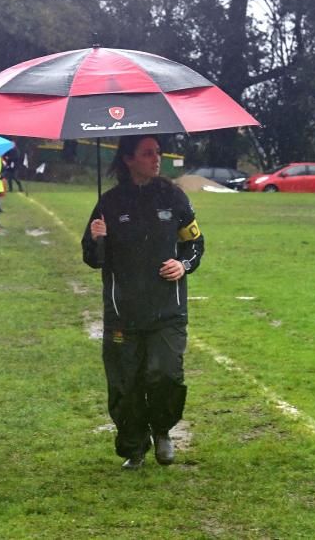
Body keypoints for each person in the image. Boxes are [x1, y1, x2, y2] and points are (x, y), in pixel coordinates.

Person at [81, 135, 204, 470]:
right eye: (148, 153)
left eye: (158, 152)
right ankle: (134, 447)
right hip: (123, 314)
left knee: (165, 375)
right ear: (128, 159)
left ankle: (162, 429)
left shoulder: (174, 197)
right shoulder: (108, 203)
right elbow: (93, 259)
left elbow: (195, 245)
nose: (156, 158)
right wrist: (96, 239)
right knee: (125, 384)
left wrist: (184, 265)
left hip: (168, 310)